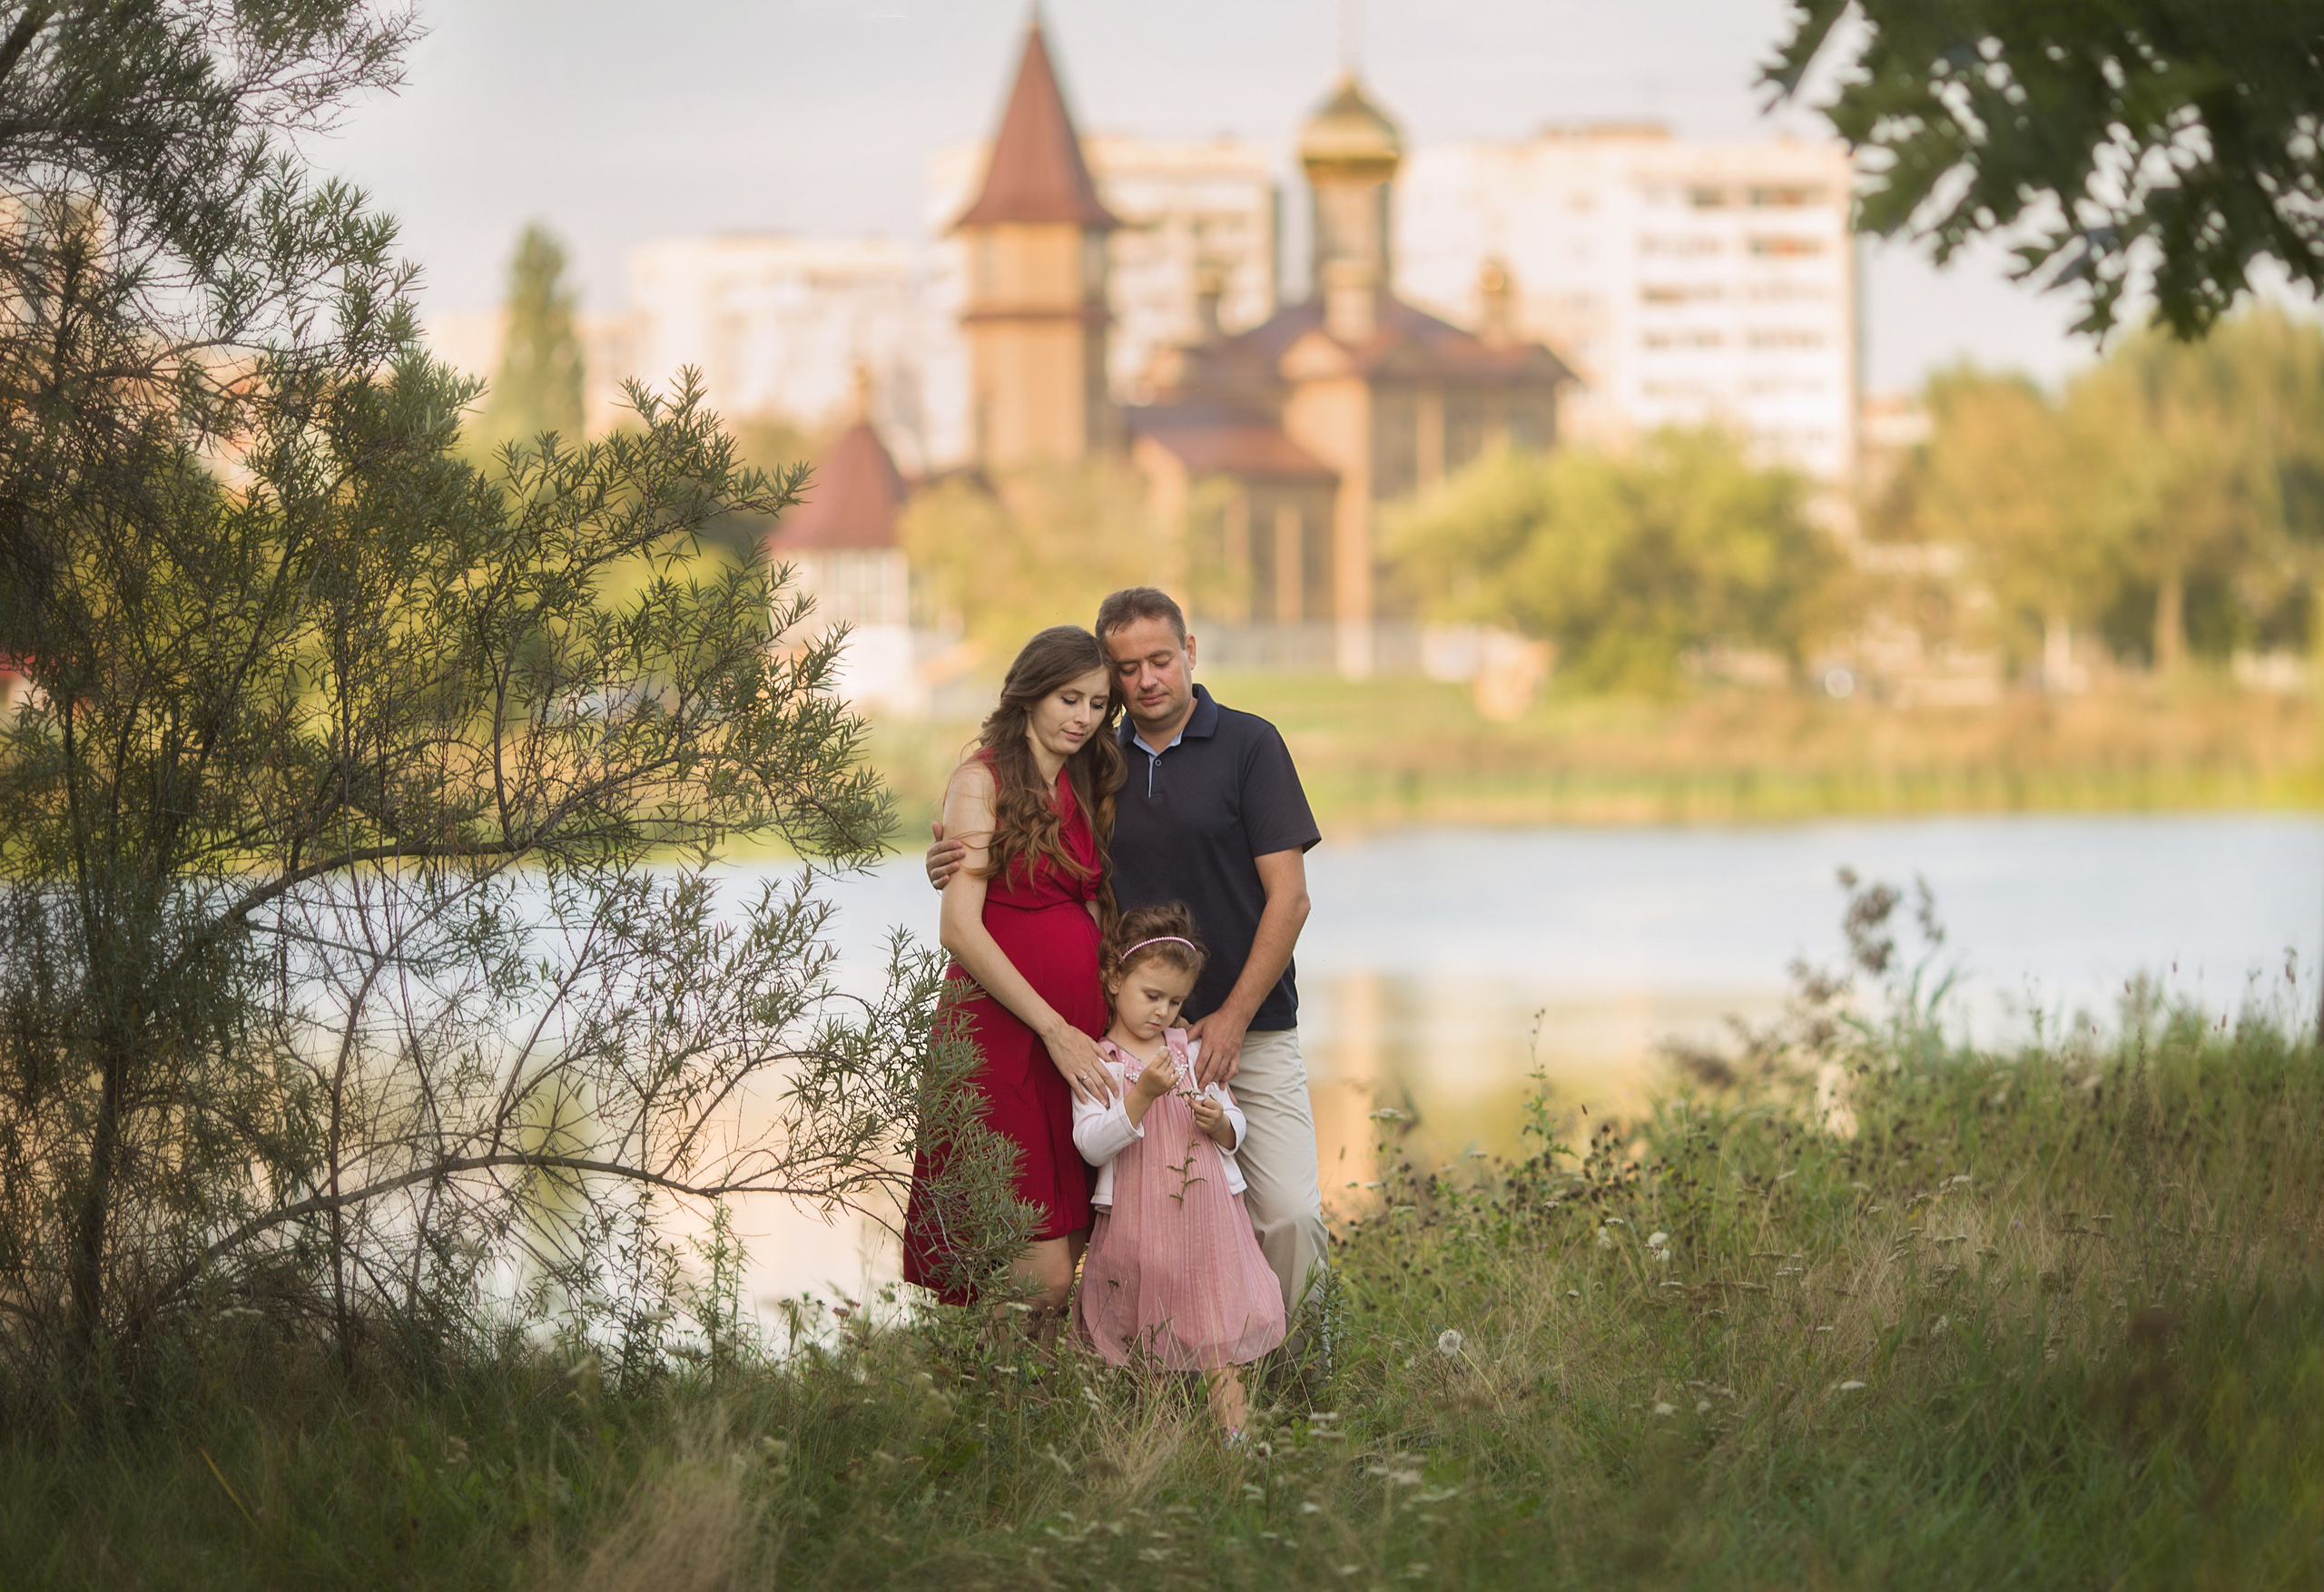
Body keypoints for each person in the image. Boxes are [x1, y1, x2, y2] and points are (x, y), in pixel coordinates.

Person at [930, 587, 1327, 1332]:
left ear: (1190, 653)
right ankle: (1136, 1374)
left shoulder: (1247, 745)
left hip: (1244, 1028)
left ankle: (1300, 1376)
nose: (1146, 680)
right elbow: (1014, 867)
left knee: (1287, 1215)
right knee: (1123, 1224)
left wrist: (1234, 1017)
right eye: (1126, 669)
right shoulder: (1098, 764)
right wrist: (954, 852)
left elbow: (1292, 899)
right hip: (1116, 1042)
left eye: (1161, 660)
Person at [901, 626, 1123, 1329]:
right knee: (1039, 1274)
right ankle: (981, 1385)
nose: (1082, 718)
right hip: (1005, 1038)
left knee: (1076, 1249)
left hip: (1075, 1044)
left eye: (1097, 704)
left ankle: (1024, 1395)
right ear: (1030, 693)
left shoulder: (1081, 781)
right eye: (1068, 698)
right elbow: (959, 928)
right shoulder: (981, 781)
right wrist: (1054, 1029)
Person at [1072, 904, 1285, 1437]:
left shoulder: (1189, 1050)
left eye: (1175, 1001)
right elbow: (1091, 1145)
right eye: (1151, 996)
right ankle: (1157, 1443)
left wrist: (1222, 1124)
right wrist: (1140, 1096)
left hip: (1208, 1219)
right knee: (1147, 1330)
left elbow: (1235, 1120)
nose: (1162, 1012)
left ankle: (1237, 1443)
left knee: (1218, 1330)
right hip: (1140, 1224)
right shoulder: (1099, 1062)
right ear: (1114, 978)